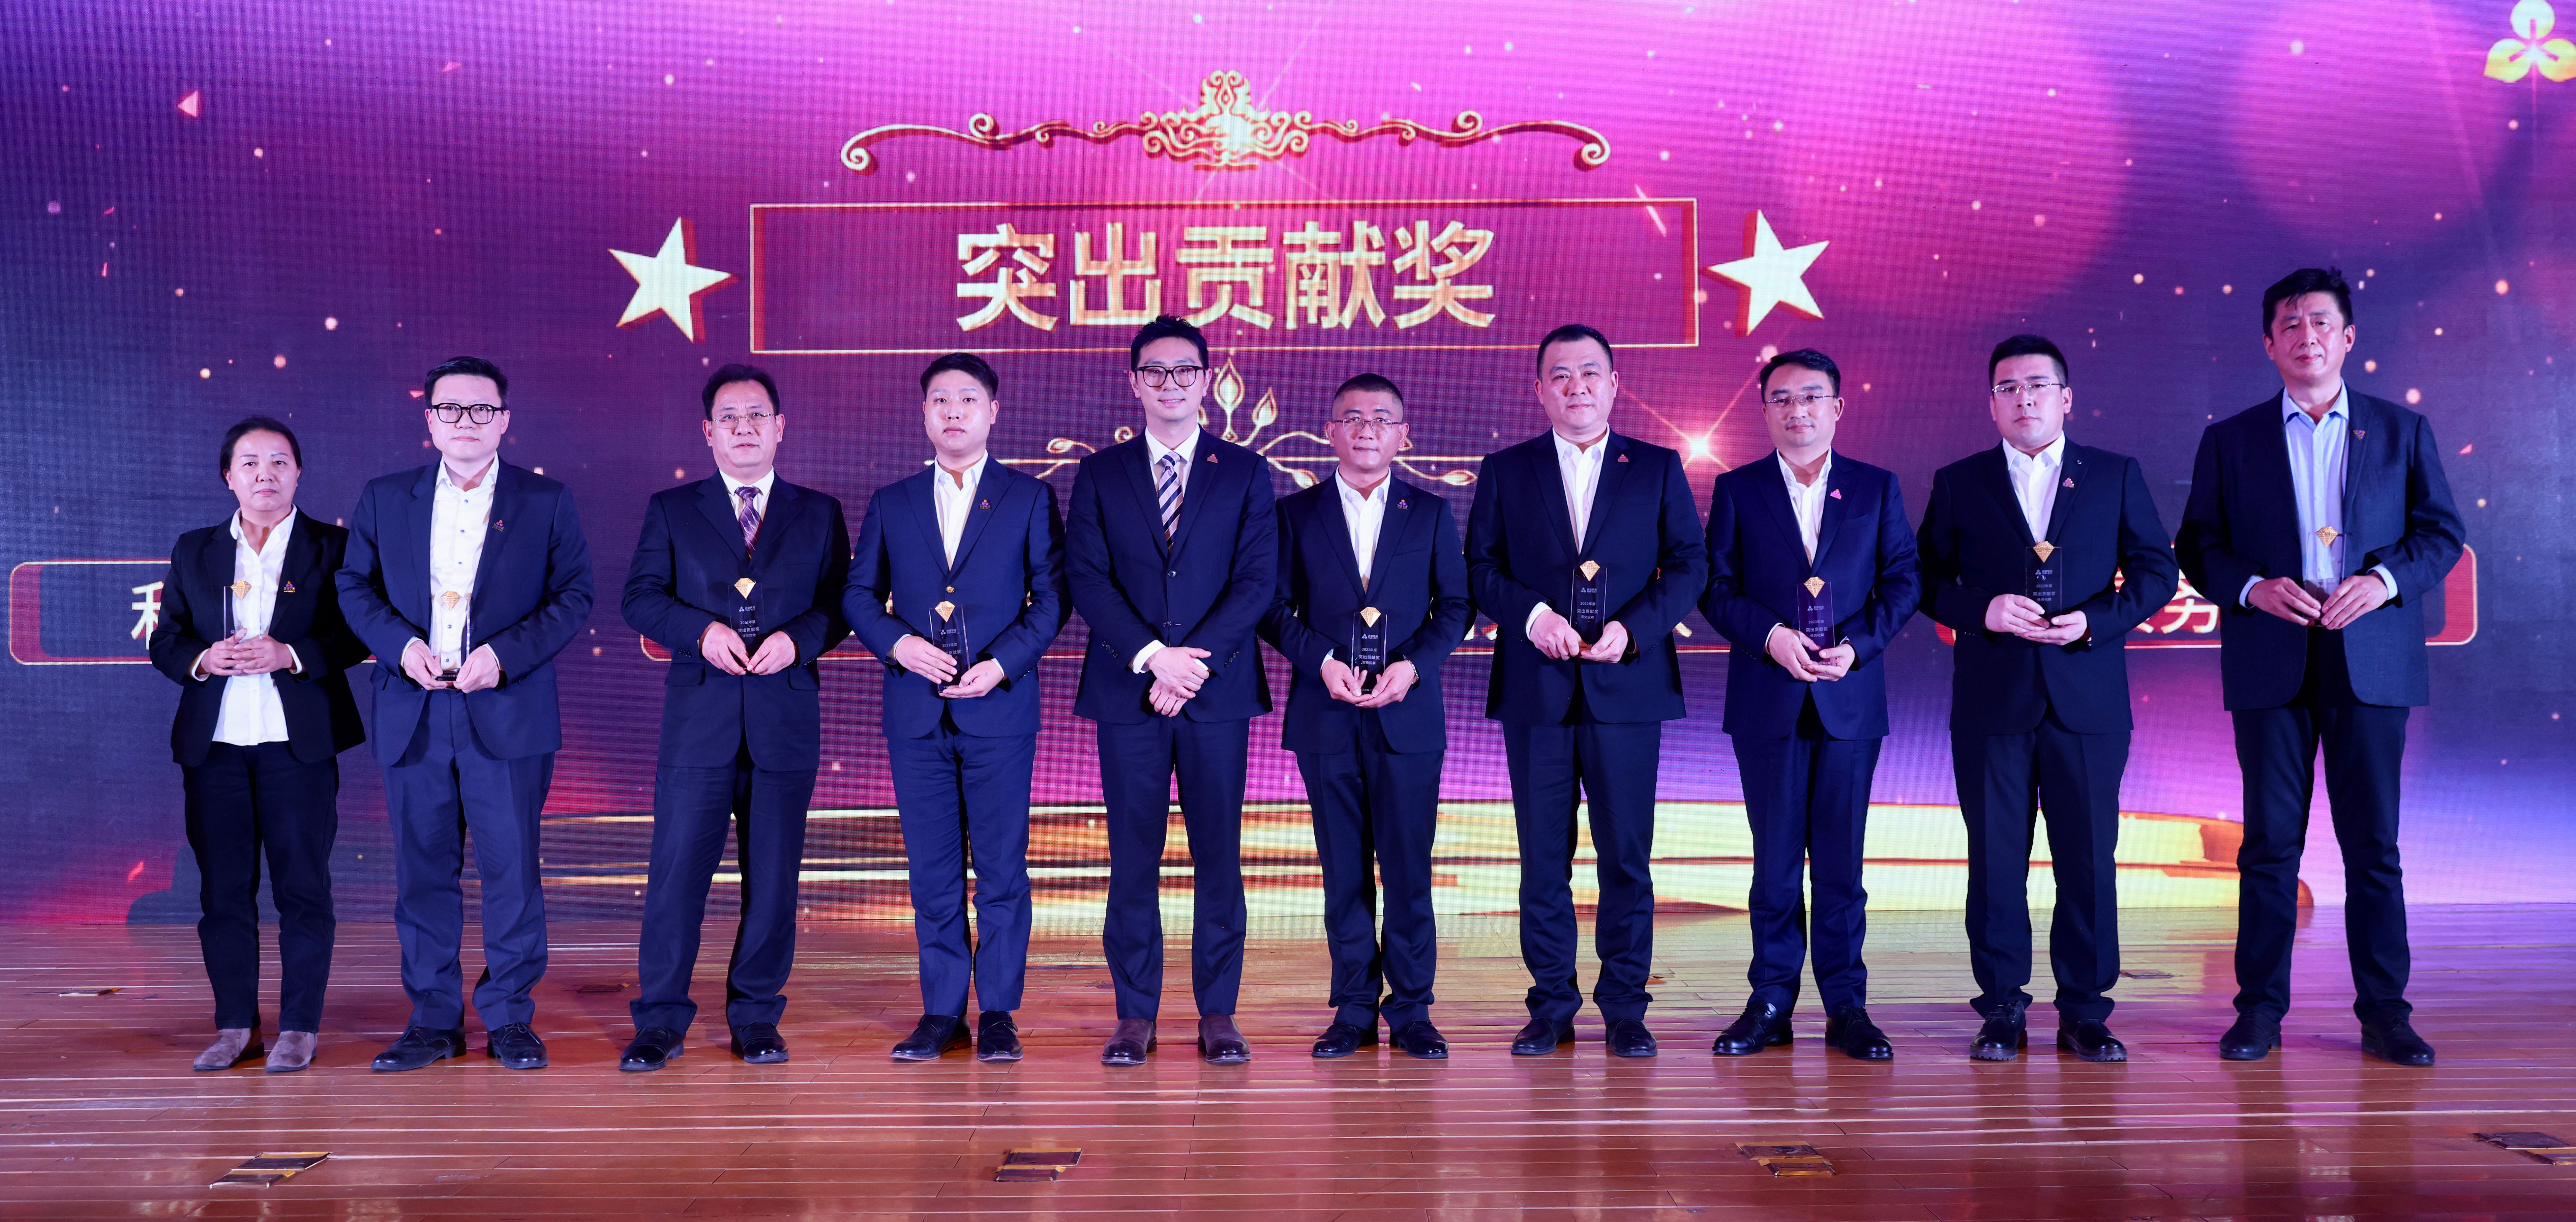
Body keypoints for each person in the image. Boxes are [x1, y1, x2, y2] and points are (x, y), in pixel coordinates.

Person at [2176, 267, 2464, 1067]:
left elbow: (2440, 534)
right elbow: (2197, 545)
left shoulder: (2399, 431)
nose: (2305, 336)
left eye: (2319, 323)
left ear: (2347, 338)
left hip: (2370, 660)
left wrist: (2382, 582)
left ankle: (2385, 1015)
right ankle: (2258, 1013)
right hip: (2271, 659)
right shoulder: (2230, 440)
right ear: (2268, 344)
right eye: (2289, 325)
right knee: (2269, 845)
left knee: (2372, 847)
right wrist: (2250, 587)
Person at [1916, 335, 2178, 1063]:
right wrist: (1981, 611)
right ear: (1991, 404)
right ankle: (2001, 1007)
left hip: (2086, 700)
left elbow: (2156, 572)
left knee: (2088, 860)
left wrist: (2095, 621)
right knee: (1994, 861)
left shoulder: (2113, 474)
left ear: (2065, 398)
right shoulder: (1959, 481)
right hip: (1992, 700)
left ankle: (2085, 1011)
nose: (2022, 398)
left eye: (2036, 385)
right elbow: (1923, 582)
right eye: (2007, 387)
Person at [337, 356, 594, 1073]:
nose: (466, 422)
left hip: (505, 710)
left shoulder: (545, 500)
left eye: (482, 410)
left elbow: (574, 595)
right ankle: (433, 1021)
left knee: (511, 873)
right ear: (429, 420)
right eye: (450, 409)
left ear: (504, 420)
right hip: (415, 709)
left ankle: (510, 1017)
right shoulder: (387, 497)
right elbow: (354, 587)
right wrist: (400, 649)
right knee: (423, 874)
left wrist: (503, 657)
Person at [1464, 323, 1708, 1059]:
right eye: (1561, 375)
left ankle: (1626, 1007)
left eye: (1590, 373)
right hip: (1537, 687)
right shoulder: (1507, 470)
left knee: (1625, 857)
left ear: (1613, 384)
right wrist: (1532, 617)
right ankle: (1550, 1006)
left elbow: (1689, 565)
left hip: (1626, 686)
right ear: (1539, 389)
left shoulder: (1656, 466)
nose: (1576, 387)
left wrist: (1633, 630)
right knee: (1542, 858)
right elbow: (1479, 567)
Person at [618, 365, 850, 1072]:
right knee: (675, 878)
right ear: (708, 432)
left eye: (756, 416)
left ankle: (755, 1016)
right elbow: (640, 598)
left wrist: (799, 641)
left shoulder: (819, 512)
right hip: (699, 718)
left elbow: (842, 603)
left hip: (784, 715)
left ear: (780, 428)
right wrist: (700, 632)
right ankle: (660, 1020)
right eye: (729, 418)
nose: (743, 428)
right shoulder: (672, 508)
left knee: (774, 881)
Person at [1065, 315, 1277, 1067]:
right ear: (1134, 383)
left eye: (1184, 370)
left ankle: (1218, 1013)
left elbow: (1256, 581)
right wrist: (1155, 658)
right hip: (1129, 692)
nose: (1170, 384)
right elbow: (1087, 579)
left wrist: (1192, 666)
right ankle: (1134, 1016)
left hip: (1215, 694)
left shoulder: (1245, 471)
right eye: (1154, 371)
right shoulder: (1099, 474)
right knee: (1132, 857)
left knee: (1218, 855)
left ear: (1206, 380)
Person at [845, 353, 1067, 1063]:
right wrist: (899, 645)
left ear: (992, 412)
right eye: (939, 399)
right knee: (932, 871)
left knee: (1001, 869)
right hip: (915, 711)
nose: (952, 412)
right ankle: (942, 1011)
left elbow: (1051, 599)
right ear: (924, 413)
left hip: (999, 708)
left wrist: (1001, 665)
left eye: (967, 399)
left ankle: (998, 1010)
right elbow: (857, 595)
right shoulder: (893, 500)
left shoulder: (1029, 498)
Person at [1700, 348, 1920, 1062]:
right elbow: (1715, 588)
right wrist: (1770, 637)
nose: (1797, 410)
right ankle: (1769, 1001)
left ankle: (1846, 1006)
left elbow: (1903, 581)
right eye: (1782, 399)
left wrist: (1856, 646)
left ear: (1837, 408)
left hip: (1847, 699)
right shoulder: (1737, 490)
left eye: (1811, 397)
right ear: (1764, 410)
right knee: (1772, 866)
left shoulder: (1875, 487)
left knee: (1839, 866)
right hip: (1767, 698)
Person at [1256, 374, 1472, 1061]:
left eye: (1381, 418)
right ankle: (1352, 1009)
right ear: (1330, 432)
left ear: (1403, 435)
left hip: (1407, 716)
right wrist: (1321, 661)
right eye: (1352, 418)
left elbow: (1455, 607)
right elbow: (1271, 608)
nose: (1366, 429)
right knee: (1343, 870)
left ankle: (1411, 1010)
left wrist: (1413, 666)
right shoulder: (1294, 514)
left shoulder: (1430, 512)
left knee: (1408, 869)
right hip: (1326, 713)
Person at [147, 417, 367, 1073]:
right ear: (229, 476)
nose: (264, 474)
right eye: (250, 463)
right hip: (215, 748)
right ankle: (235, 1027)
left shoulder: (335, 547)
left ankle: (299, 1027)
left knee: (303, 888)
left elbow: (358, 634)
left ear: (298, 473)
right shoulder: (196, 548)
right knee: (223, 893)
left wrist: (290, 655)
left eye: (278, 462)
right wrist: (204, 659)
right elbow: (166, 639)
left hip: (297, 747)